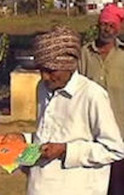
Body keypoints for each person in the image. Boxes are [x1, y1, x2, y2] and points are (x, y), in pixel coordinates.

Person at [4, 26, 124, 195]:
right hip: (40, 185)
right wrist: (23, 138)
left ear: (69, 66)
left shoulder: (92, 95)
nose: (44, 77)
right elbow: (46, 134)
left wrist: (66, 150)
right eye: (41, 70)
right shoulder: (43, 88)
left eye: (51, 71)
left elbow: (114, 150)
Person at [79, 4, 124, 195]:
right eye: (103, 24)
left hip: (120, 134)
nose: (106, 29)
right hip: (89, 134)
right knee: (91, 186)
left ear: (119, 28)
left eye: (111, 25)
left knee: (117, 186)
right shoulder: (84, 53)